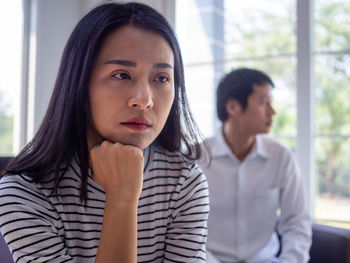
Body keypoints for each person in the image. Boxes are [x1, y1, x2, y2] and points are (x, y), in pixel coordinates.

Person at [0, 3, 209, 262]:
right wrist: (122, 199)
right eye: (121, 75)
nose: (144, 100)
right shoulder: (22, 193)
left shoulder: (184, 182)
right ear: (79, 84)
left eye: (162, 78)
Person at [199, 68, 312, 263]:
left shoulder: (281, 157)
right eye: (263, 102)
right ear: (233, 107)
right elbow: (184, 229)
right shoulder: (196, 158)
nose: (272, 112)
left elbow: (297, 222)